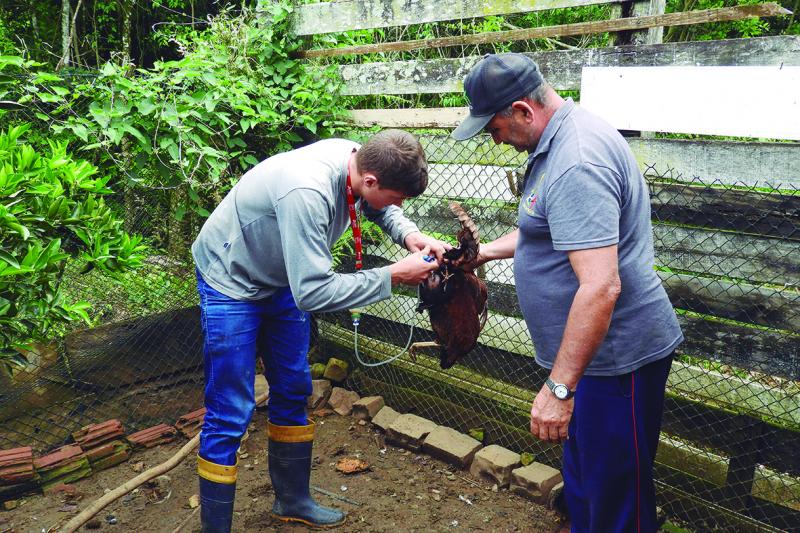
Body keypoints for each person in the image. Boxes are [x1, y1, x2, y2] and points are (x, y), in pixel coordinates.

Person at [452, 53, 683, 533]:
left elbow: (601, 286)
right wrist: (484, 254)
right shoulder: (556, 144)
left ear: (522, 110)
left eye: (493, 128)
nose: (495, 141)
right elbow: (551, 230)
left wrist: (559, 388)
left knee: (617, 495)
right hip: (590, 364)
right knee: (585, 481)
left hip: (616, 360)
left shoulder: (576, 161)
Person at [191, 130, 448, 531]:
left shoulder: (358, 161)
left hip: (283, 280)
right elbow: (311, 292)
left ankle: (292, 500)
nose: (398, 206)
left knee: (293, 387)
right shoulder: (306, 190)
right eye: (398, 197)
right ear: (371, 180)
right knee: (230, 410)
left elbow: (379, 207)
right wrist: (392, 276)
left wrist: (410, 235)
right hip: (231, 281)